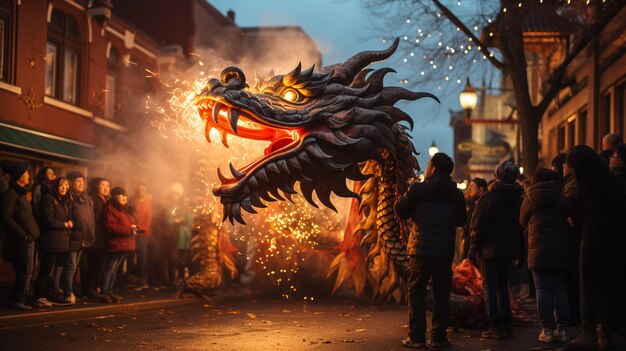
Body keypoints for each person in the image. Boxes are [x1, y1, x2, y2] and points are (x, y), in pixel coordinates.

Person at [394, 153, 466, 349]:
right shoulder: (457, 194)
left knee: (416, 292)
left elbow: (400, 210)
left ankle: (417, 337)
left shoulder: (418, 189)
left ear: (433, 169)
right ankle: (439, 338)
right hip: (444, 253)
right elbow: (461, 221)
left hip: (421, 250)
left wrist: (407, 192)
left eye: (428, 164)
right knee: (441, 294)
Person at [562, 145, 625, 351]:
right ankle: (606, 332)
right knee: (609, 286)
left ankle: (587, 332)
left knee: (587, 288)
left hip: (591, 240)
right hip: (614, 241)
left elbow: (574, 215)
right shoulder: (612, 182)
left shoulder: (580, 186)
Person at [469, 160, 524, 339]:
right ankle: (506, 325)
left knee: (490, 287)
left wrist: (473, 247)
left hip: (489, 250)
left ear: (497, 176)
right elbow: (521, 227)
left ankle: (494, 325)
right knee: (503, 286)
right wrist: (520, 251)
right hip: (508, 249)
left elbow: (477, 225)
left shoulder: (489, 197)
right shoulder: (519, 199)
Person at [519, 168, 573, 343]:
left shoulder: (530, 198)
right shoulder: (560, 196)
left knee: (542, 290)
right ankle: (563, 329)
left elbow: (522, 220)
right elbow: (569, 213)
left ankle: (547, 330)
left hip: (538, 250)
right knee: (560, 289)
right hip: (559, 248)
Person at [0, 162, 40, 310]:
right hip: (22, 240)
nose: (29, 175)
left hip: (29, 238)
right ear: (20, 176)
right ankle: (18, 299)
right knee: (24, 270)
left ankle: (26, 296)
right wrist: (23, 234)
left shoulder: (21, 193)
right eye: (26, 173)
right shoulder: (11, 194)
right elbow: (5, 216)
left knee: (26, 270)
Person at [34, 177, 79, 306]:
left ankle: (47, 294)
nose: (64, 187)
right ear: (55, 186)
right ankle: (38, 296)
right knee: (46, 270)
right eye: (61, 185)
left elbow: (71, 218)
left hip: (61, 243)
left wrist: (71, 222)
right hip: (51, 242)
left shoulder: (65, 201)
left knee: (54, 271)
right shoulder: (48, 198)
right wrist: (65, 224)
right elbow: (48, 220)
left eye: (66, 185)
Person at [100, 187, 136, 303]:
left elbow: (128, 224)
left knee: (114, 269)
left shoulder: (124, 210)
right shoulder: (110, 209)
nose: (124, 198)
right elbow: (110, 227)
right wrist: (129, 230)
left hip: (124, 244)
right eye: (121, 195)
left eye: (125, 195)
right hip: (115, 243)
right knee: (110, 268)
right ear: (115, 197)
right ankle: (104, 293)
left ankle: (109, 291)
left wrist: (134, 228)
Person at [67, 171, 95, 301]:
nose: (81, 184)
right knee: (71, 266)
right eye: (78, 181)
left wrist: (92, 234)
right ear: (71, 183)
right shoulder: (70, 197)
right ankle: (69, 291)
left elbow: (91, 219)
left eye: (83, 182)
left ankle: (80, 290)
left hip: (86, 237)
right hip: (74, 237)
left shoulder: (86, 199)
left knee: (83, 265)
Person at [85, 177, 110, 299]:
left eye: (108, 185)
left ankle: (95, 288)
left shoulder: (104, 200)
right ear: (96, 186)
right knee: (94, 265)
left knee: (99, 265)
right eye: (103, 185)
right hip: (97, 238)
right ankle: (90, 289)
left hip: (101, 238)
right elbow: (99, 221)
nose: (106, 188)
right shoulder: (96, 200)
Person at [166, 183, 193, 283]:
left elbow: (190, 220)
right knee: (173, 260)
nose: (175, 196)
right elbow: (167, 220)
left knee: (183, 261)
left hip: (184, 238)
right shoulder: (170, 206)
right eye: (173, 194)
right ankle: (171, 280)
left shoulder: (184, 207)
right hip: (174, 237)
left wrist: (182, 219)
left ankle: (181, 280)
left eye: (176, 194)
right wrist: (175, 221)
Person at [132, 183, 153, 291]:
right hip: (136, 232)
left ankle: (143, 281)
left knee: (142, 257)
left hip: (143, 234)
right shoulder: (137, 202)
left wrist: (139, 231)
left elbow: (147, 220)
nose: (141, 191)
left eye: (143, 189)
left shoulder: (147, 203)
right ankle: (137, 279)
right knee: (138, 257)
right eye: (140, 189)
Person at [462, 178, 487, 259]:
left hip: (477, 247)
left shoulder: (481, 205)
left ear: (481, 189)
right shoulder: (470, 203)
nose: (469, 188)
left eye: (472, 186)